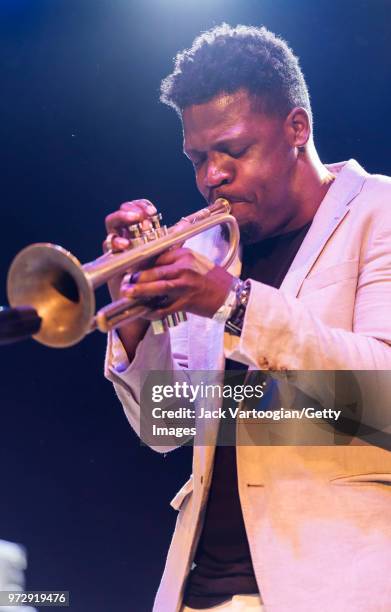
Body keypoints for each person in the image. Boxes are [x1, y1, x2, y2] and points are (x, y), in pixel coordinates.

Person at [104, 24, 391, 612]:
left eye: (232, 151)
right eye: (198, 158)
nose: (212, 176)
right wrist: (131, 312)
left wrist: (234, 303)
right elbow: (167, 428)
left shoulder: (379, 213)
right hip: (196, 591)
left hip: (332, 586)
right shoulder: (211, 248)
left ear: (297, 128)